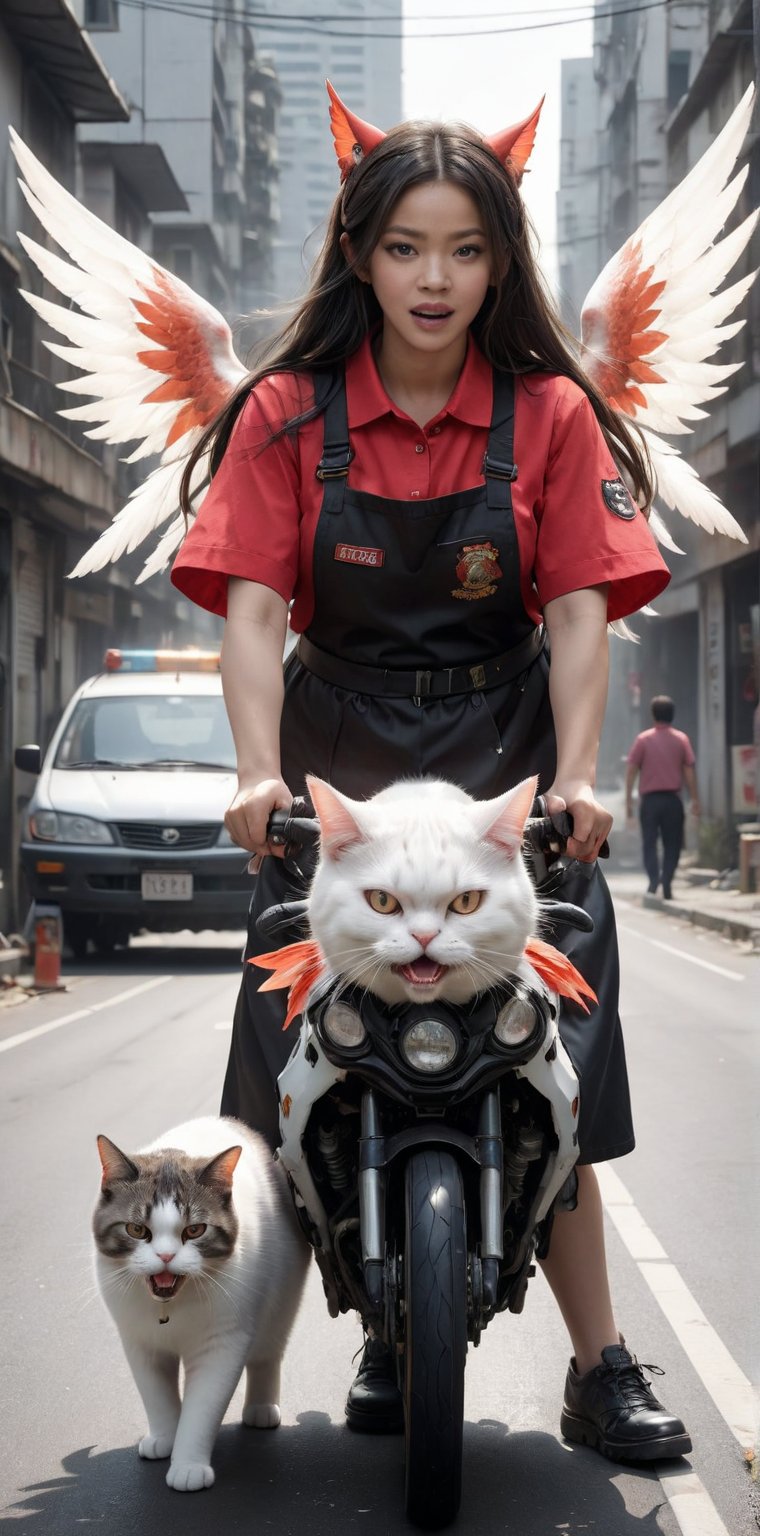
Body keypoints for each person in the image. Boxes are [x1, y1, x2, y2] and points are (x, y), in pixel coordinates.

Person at [170, 94, 691, 1462]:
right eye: (407, 249)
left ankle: (600, 1361)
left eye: (466, 252)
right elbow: (254, 615)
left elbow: (580, 609)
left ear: (501, 264)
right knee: (292, 1065)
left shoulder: (552, 415)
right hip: (335, 783)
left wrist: (577, 781)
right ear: (358, 253)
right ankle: (373, 1317)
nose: (436, 280)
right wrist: (252, 772)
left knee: (557, 1070)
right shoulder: (282, 414)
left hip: (506, 773)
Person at [626, 696, 700, 899]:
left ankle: (653, 881)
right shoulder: (681, 739)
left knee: (649, 842)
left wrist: (628, 803)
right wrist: (694, 799)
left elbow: (631, 771)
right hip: (672, 800)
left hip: (649, 802)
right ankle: (666, 882)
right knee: (673, 843)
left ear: (653, 715)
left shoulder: (643, 739)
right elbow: (689, 772)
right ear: (672, 715)